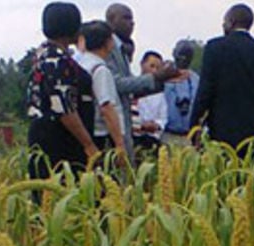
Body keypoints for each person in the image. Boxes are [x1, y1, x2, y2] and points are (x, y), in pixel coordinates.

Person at [26, 2, 98, 184]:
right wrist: (88, 144)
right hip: (61, 139)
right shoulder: (56, 61)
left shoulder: (44, 54)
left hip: (46, 133)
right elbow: (64, 108)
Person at [189, 4, 254, 150]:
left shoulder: (214, 48)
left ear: (231, 22)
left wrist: (194, 128)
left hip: (221, 134)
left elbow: (205, 92)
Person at [103, 3, 180, 159]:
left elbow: (131, 87)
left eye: (132, 19)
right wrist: (157, 77)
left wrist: (165, 81)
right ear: (111, 20)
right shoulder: (108, 47)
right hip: (111, 126)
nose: (132, 23)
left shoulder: (122, 48)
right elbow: (117, 84)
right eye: (126, 18)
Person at [78, 21, 128, 162]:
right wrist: (119, 144)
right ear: (107, 42)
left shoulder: (81, 64)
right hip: (101, 135)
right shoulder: (100, 70)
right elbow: (106, 108)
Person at [162, 40, 198, 146]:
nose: (183, 59)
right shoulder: (164, 76)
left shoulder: (197, 80)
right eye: (181, 55)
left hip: (189, 137)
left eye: (187, 56)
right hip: (167, 134)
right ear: (174, 53)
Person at [133, 51, 168, 155]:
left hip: (152, 141)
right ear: (142, 64)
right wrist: (142, 126)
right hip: (133, 138)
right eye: (151, 66)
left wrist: (156, 125)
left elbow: (163, 118)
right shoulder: (132, 88)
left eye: (158, 68)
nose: (154, 71)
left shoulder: (160, 93)